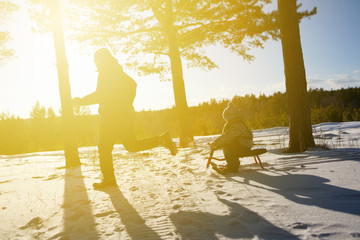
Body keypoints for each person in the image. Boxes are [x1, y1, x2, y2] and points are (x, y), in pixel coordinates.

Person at [73, 48, 177, 189]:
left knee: (104, 147)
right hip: (125, 114)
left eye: (96, 59)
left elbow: (101, 94)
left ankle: (109, 179)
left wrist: (82, 101)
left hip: (112, 115)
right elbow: (133, 84)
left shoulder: (106, 72)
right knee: (131, 145)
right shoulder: (118, 71)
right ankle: (162, 139)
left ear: (102, 59)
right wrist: (128, 102)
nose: (94, 62)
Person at [209, 102, 253, 173]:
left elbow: (228, 135)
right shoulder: (236, 123)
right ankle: (233, 164)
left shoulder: (237, 125)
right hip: (243, 144)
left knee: (229, 149)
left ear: (230, 116)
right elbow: (228, 136)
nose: (226, 120)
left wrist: (216, 143)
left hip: (244, 145)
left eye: (226, 118)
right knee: (229, 147)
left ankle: (232, 167)